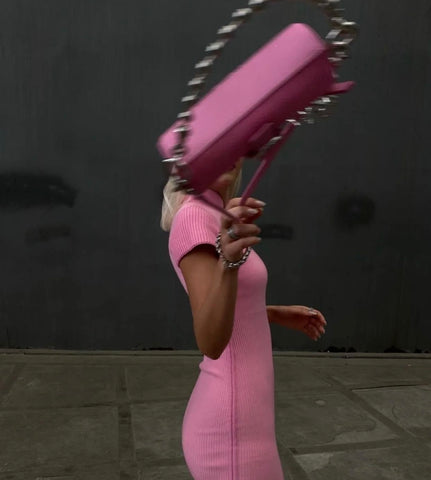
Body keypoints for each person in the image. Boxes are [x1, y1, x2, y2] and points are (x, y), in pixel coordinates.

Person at [160, 157, 326, 479]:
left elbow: (227, 305)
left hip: (247, 421)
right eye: (217, 144)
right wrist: (229, 262)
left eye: (236, 144)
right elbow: (210, 341)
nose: (229, 154)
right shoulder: (194, 216)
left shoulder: (214, 212)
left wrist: (272, 313)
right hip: (232, 435)